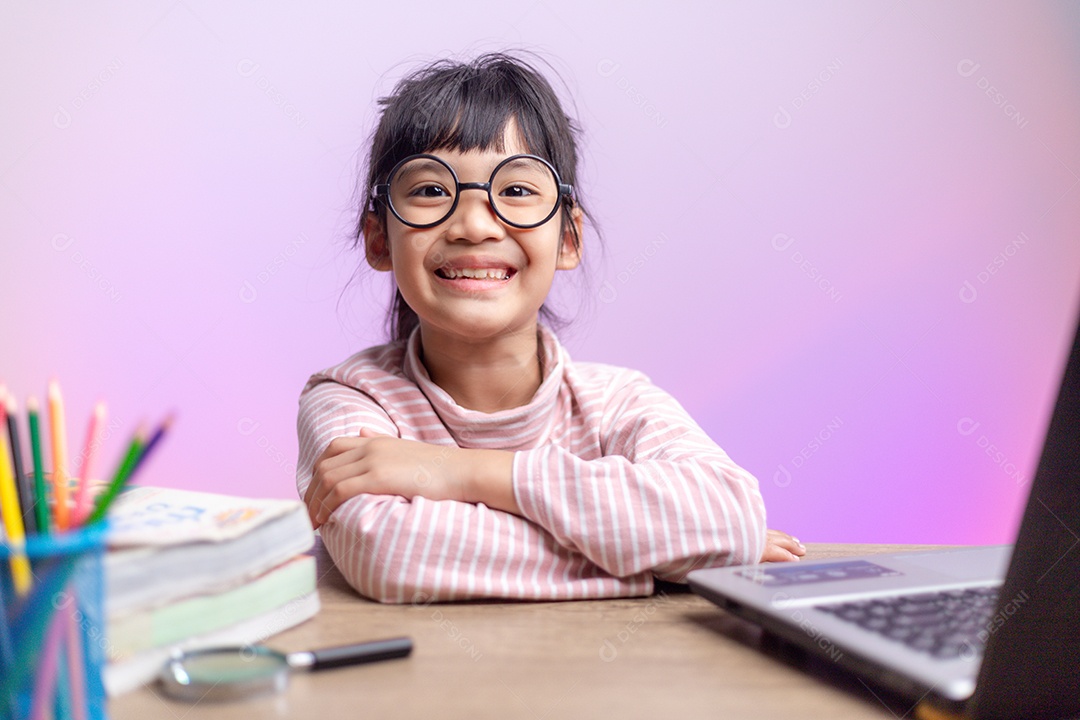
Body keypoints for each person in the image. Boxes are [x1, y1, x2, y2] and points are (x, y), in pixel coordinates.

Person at [297, 53, 804, 604]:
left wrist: (457, 471)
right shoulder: (351, 399)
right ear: (378, 240)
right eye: (430, 191)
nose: (473, 225)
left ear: (567, 238)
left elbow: (728, 515)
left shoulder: (615, 401)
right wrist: (658, 563)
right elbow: (393, 555)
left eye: (516, 191)